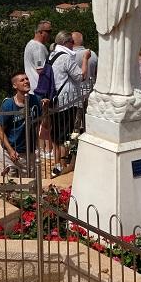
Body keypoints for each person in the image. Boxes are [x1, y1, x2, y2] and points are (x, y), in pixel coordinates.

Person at [48, 30, 85, 178]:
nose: (73, 45)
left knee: (56, 135)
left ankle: (56, 165)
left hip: (54, 101)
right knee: (66, 136)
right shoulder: (65, 58)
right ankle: (63, 167)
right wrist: (85, 60)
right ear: (66, 43)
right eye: (71, 43)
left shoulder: (51, 55)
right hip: (67, 102)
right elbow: (80, 76)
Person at [0, 73, 44, 177]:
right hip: (9, 153)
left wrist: (45, 109)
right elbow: (0, 130)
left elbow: (45, 126)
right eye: (22, 80)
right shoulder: (8, 105)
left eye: (27, 79)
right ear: (15, 85)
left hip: (28, 153)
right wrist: (10, 150)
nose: (26, 81)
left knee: (29, 188)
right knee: (7, 187)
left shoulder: (36, 100)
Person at [23, 20, 52, 93]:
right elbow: (40, 70)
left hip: (32, 87)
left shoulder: (30, 43)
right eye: (49, 31)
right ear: (41, 32)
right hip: (39, 88)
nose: (50, 34)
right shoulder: (38, 47)